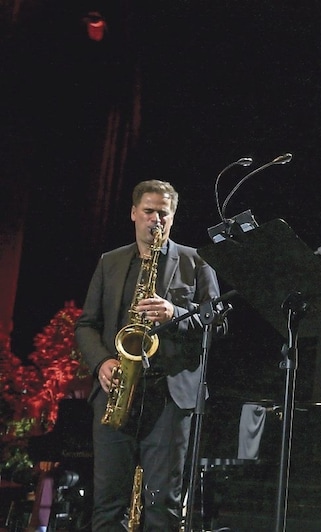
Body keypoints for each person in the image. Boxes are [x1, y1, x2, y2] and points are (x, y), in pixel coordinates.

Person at [75, 180, 223, 531]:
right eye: (149, 212)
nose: (156, 220)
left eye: (163, 213)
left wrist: (175, 314)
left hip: (170, 397)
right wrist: (101, 362)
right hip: (117, 390)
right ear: (133, 214)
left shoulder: (196, 261)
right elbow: (86, 325)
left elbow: (217, 324)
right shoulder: (110, 262)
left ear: (173, 218)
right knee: (108, 502)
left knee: (163, 505)